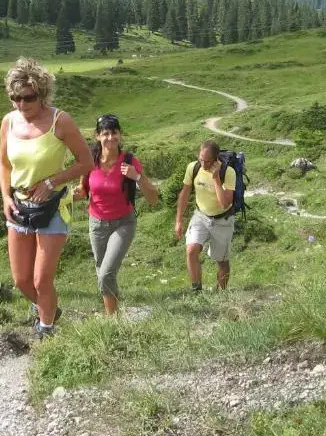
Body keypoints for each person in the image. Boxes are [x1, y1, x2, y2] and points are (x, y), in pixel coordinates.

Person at [0, 57, 92, 339]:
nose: (21, 104)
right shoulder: (8, 122)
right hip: (19, 205)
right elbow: (3, 164)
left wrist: (52, 182)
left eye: (28, 98)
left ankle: (46, 329)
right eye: (15, 98)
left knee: (41, 280)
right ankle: (48, 308)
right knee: (21, 280)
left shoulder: (60, 121)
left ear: (42, 93)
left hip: (52, 207)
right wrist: (5, 197)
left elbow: (86, 162)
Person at [74, 113, 159, 315]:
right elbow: (83, 190)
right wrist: (71, 194)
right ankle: (113, 314)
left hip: (123, 223)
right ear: (97, 136)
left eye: (114, 133)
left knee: (106, 273)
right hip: (97, 224)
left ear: (120, 135)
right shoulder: (90, 161)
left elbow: (153, 198)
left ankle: (111, 319)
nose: (110, 138)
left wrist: (136, 177)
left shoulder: (129, 161)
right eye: (105, 134)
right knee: (102, 272)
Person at [174, 139, 236, 291]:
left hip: (223, 220)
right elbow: (184, 194)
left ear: (216, 159)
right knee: (191, 251)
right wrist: (179, 221)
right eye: (201, 159)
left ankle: (221, 293)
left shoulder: (228, 172)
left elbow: (225, 203)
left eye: (207, 161)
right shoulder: (193, 167)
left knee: (222, 262)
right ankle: (197, 290)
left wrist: (215, 178)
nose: (203, 164)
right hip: (200, 216)